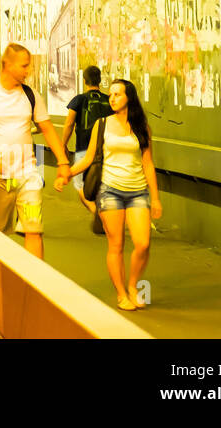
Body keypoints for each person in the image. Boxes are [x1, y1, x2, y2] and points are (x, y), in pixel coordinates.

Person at [0, 43, 70, 260]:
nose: (28, 70)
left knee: (33, 230)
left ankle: (36, 285)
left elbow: (47, 129)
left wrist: (63, 163)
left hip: (26, 176)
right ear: (7, 65)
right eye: (24, 66)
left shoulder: (31, 96)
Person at [68, 79, 162, 311]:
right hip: (109, 190)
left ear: (129, 97)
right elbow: (89, 158)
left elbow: (148, 163)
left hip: (138, 190)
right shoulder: (102, 124)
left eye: (118, 94)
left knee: (142, 243)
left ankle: (133, 285)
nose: (112, 98)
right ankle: (121, 293)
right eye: (111, 94)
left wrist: (156, 197)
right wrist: (66, 173)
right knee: (116, 245)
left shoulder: (141, 127)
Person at [61, 65, 112, 232]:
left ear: (84, 81)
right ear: (99, 80)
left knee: (80, 185)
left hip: (83, 148)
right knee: (102, 184)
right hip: (106, 150)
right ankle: (105, 214)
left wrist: (63, 144)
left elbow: (69, 124)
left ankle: (96, 211)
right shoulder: (108, 100)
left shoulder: (79, 100)